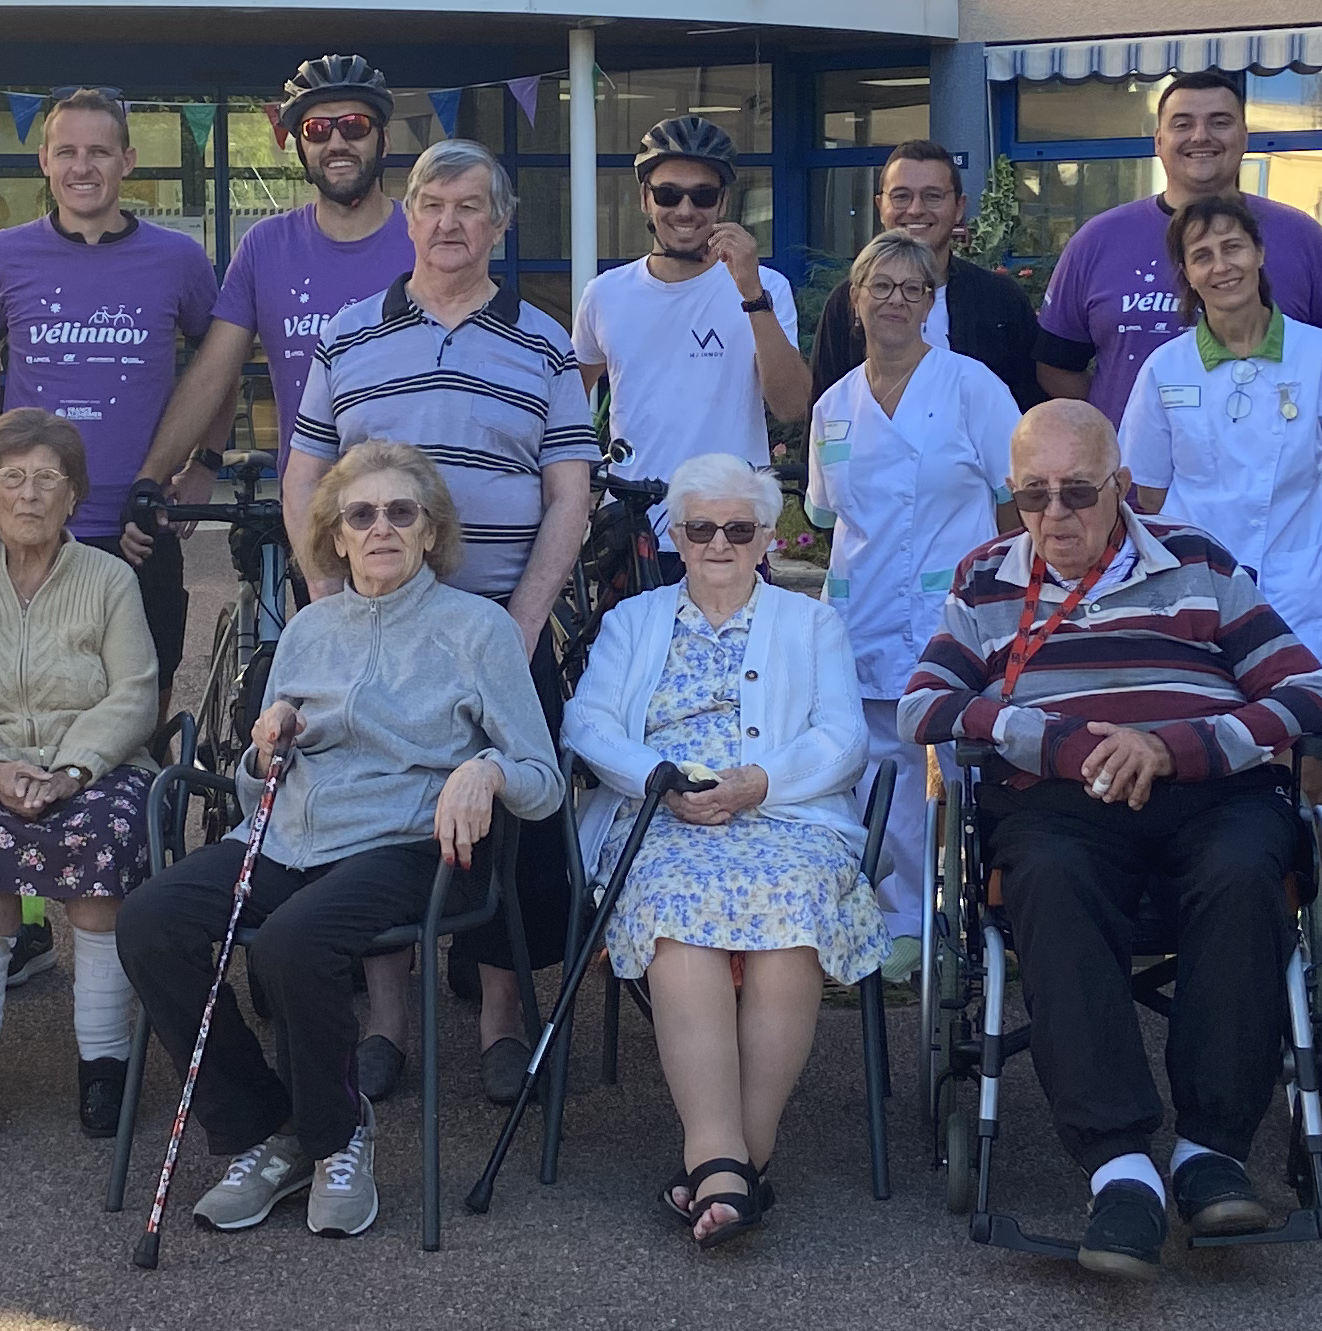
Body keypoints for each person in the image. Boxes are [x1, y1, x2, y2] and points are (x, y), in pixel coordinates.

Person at [899, 400, 1322, 1280]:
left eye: (1076, 492)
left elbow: (1311, 696)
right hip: (1061, 802)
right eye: (1033, 496)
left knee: (1247, 870)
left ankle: (1211, 1152)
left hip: (1211, 794)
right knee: (1051, 878)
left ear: (1122, 486)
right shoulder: (988, 579)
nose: (1055, 516)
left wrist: (1172, 748)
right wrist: (1058, 742)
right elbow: (925, 703)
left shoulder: (1200, 564)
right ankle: (1121, 1169)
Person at [120, 442, 566, 1243]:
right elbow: (265, 776)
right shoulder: (310, 630)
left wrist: (489, 771)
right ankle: (265, 1129)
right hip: (292, 838)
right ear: (336, 534)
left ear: (432, 532)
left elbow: (543, 776)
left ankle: (336, 1138)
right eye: (362, 514)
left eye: (403, 512)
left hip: (414, 848)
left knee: (292, 943)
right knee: (152, 921)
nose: (382, 528)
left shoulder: (478, 630)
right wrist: (267, 749)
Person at [284, 140, 597, 1098]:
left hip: (497, 628)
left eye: (471, 207)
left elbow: (570, 494)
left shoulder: (544, 343)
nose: (450, 222)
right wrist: (333, 607)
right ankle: (385, 1023)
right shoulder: (347, 335)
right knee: (375, 810)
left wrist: (521, 620)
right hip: (372, 625)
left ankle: (502, 1015)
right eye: (432, 204)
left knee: (517, 822)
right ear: (407, 218)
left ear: (500, 226)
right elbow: (305, 477)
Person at [562, 450, 882, 1244]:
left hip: (788, 817)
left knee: (794, 909)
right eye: (700, 527)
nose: (718, 543)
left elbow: (845, 738)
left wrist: (759, 783)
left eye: (738, 529)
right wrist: (657, 779)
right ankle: (726, 1161)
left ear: (768, 537)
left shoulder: (811, 623)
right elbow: (588, 726)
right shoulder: (633, 622)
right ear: (674, 534)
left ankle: (730, 1161)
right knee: (677, 906)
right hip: (661, 817)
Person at [0, 412, 162, 1144]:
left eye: (48, 478)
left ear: (74, 496)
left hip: (92, 767)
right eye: (10, 477)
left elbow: (135, 692)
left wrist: (75, 768)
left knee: (111, 838)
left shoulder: (110, 578)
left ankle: (105, 1064)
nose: (29, 494)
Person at [0, 88, 220, 695]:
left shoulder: (177, 258)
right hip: (33, 520)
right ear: (43, 161)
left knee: (143, 697)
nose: (82, 167)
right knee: (24, 694)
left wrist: (206, 461)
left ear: (127, 160)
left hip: (138, 521)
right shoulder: (3, 255)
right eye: (66, 151)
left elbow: (218, 365)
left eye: (99, 152)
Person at [802, 226, 1022, 966]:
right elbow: (826, 516)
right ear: (854, 300)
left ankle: (982, 922)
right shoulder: (833, 404)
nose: (896, 300)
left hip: (952, 618)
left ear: (932, 303)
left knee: (965, 771)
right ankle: (897, 931)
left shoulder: (973, 388)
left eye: (913, 288)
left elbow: (1017, 501)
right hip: (859, 616)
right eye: (881, 287)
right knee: (875, 774)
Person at [1121, 191, 1322, 686]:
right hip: (1198, 589)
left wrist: (1300, 539)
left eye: (1234, 248)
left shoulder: (1321, 353)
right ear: (1186, 273)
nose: (1222, 266)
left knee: (1304, 747)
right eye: (1202, 256)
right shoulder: (1165, 368)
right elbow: (1150, 490)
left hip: (1299, 590)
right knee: (1203, 737)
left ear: (1260, 253)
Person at [135, 54, 413, 497]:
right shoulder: (266, 246)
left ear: (385, 140)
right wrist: (151, 478)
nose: (336, 142)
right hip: (308, 511)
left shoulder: (426, 239)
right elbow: (212, 374)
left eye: (355, 126)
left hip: (413, 507)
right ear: (300, 146)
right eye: (317, 130)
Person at [1037, 72, 1322, 423]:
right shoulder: (1097, 240)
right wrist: (1120, 421)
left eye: (1219, 122)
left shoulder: (1304, 240)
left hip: (1267, 475)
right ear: (1158, 141)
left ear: (1244, 137)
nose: (1201, 136)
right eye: (1182, 124)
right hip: (1134, 476)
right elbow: (1056, 366)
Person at [569, 113, 808, 554]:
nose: (685, 210)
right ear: (645, 198)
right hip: (636, 530)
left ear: (722, 202)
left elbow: (791, 405)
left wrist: (751, 293)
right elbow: (566, 402)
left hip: (732, 533)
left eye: (702, 195)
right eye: (668, 194)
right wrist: (581, 482)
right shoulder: (605, 294)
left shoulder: (767, 287)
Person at [805, 140, 1045, 404]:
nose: (916, 209)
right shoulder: (849, 302)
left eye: (932, 196)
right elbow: (824, 413)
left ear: (959, 208)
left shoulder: (1001, 300)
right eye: (901, 196)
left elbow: (1031, 412)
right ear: (880, 206)